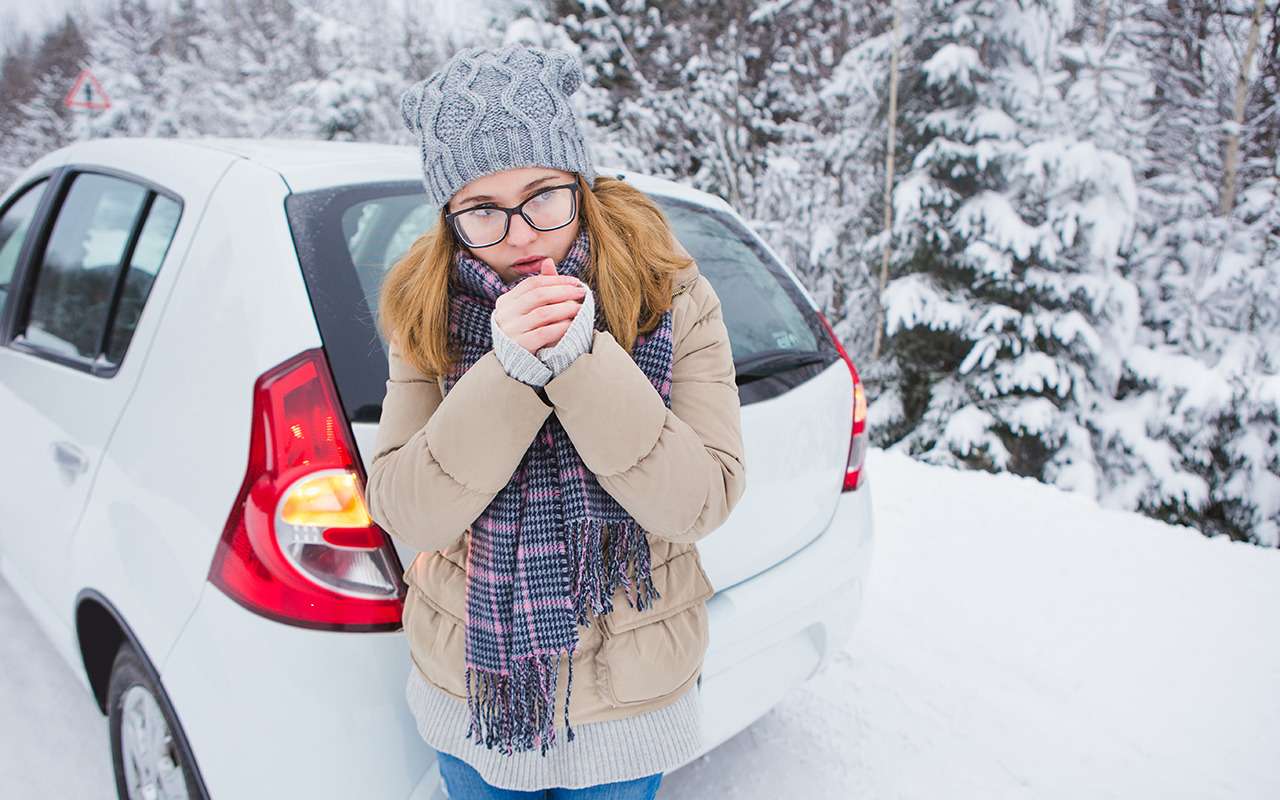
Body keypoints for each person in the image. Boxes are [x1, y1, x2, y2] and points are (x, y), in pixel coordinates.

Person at [366, 43, 746, 799]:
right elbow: (407, 507)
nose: (520, 235)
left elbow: (699, 500)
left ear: (581, 182)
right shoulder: (427, 309)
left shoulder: (670, 296)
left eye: (543, 195)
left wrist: (580, 362)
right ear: (450, 218)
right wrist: (505, 376)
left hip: (630, 701)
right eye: (482, 210)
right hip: (474, 693)